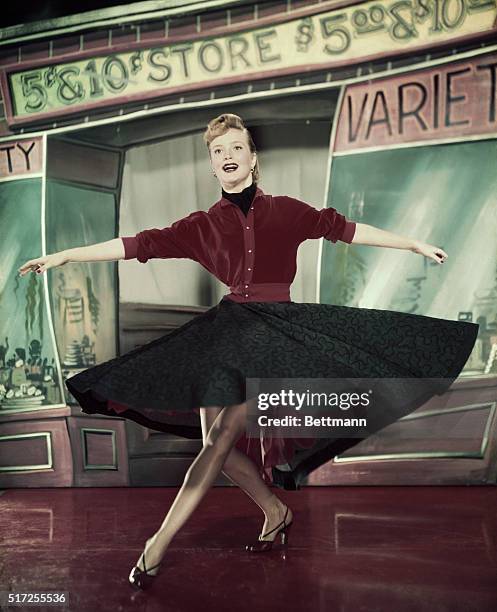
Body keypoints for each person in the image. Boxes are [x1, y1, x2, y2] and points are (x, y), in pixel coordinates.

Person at [18, 113, 478, 591]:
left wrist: (412, 244)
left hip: (274, 335)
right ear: (213, 168)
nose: (228, 157)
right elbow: (138, 245)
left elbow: (346, 230)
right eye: (219, 152)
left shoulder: (288, 211)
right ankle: (275, 510)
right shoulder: (201, 226)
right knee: (212, 442)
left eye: (236, 148)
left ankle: (156, 546)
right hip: (226, 332)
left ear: (252, 159)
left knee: (219, 439)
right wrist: (66, 255)